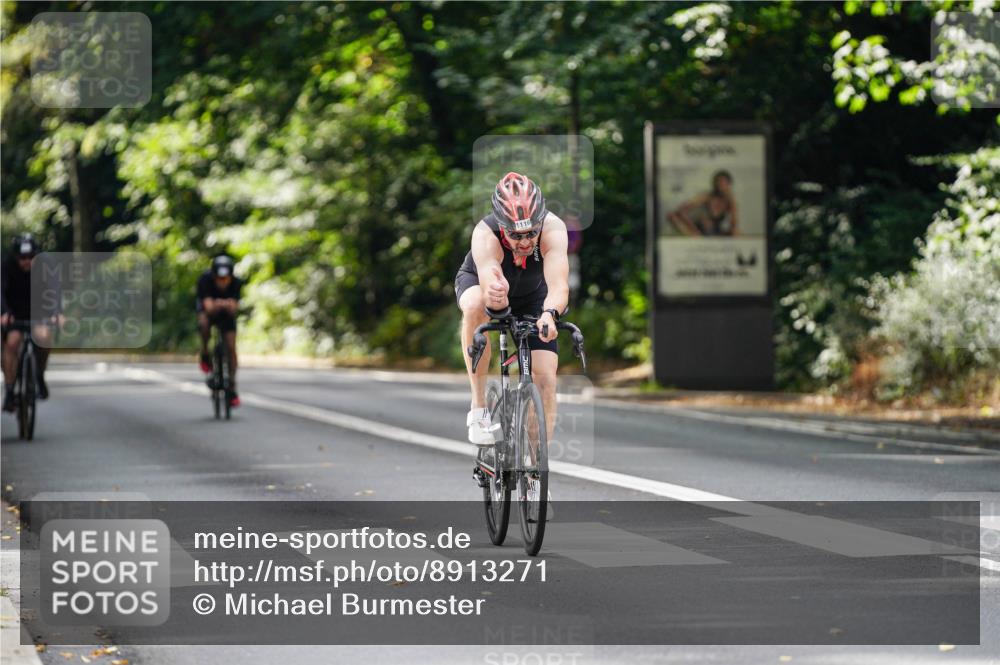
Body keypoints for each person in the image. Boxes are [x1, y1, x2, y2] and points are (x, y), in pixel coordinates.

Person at [454, 172, 569, 446]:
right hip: (488, 287)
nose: (526, 241)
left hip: (534, 295)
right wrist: (496, 295)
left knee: (546, 381)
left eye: (532, 232)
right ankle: (479, 406)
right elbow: (491, 287)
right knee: (474, 306)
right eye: (516, 235)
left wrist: (549, 314)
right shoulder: (485, 233)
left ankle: (534, 475)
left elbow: (559, 287)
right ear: (502, 226)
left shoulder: (554, 229)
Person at [1, 234, 57, 411]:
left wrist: (57, 312)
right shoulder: (6, 266)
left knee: (44, 337)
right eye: (22, 258)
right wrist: (3, 313)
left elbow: (54, 290)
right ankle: (10, 391)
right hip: (14, 313)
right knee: (12, 342)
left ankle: (39, 375)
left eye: (31, 257)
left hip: (38, 312)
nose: (27, 262)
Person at [196, 254, 242, 407]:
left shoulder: (236, 282)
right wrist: (223, 303)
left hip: (226, 315)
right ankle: (205, 352)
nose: (223, 282)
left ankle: (232, 385)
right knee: (204, 324)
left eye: (226, 278)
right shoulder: (205, 281)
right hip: (209, 313)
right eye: (219, 279)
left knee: (231, 346)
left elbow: (234, 307)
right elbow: (208, 307)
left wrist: (223, 304)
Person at [667, 170, 739, 236]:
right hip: (697, 229)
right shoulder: (706, 196)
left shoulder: (730, 200)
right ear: (714, 184)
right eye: (718, 182)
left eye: (724, 183)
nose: (721, 185)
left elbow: (734, 223)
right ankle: (695, 236)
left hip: (714, 231)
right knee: (672, 216)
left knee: (736, 233)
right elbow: (682, 210)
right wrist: (694, 229)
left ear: (729, 185)